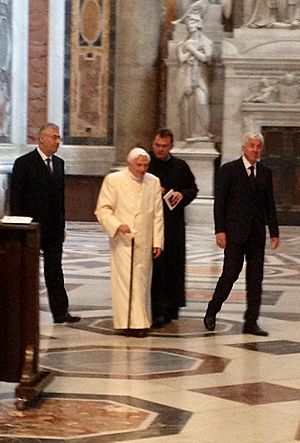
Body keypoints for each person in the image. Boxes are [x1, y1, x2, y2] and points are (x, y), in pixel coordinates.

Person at [204, 132, 280, 336]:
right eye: (252, 145)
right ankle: (212, 310)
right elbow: (219, 203)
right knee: (230, 275)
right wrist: (219, 230)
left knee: (256, 279)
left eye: (258, 146)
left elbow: (269, 204)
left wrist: (274, 232)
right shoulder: (228, 171)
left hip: (256, 234)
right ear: (244, 148)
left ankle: (251, 321)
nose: (255, 149)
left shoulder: (265, 172)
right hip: (235, 233)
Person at [10, 123, 80, 324]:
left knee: (55, 270)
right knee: (27, 271)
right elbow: (16, 198)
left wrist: (62, 224)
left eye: (59, 138)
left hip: (54, 229)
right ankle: (23, 311)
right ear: (41, 139)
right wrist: (20, 226)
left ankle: (60, 312)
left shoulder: (58, 164)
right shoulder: (24, 163)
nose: (58, 141)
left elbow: (60, 198)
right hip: (31, 229)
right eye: (54, 137)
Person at [95, 148, 164, 338]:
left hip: (145, 239)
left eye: (145, 165)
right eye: (138, 165)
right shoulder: (113, 180)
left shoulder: (153, 181)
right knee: (124, 281)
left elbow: (158, 215)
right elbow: (102, 209)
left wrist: (157, 241)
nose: (142, 169)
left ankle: (140, 322)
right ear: (129, 164)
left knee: (141, 281)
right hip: (122, 240)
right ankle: (126, 323)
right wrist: (117, 225)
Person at [148, 128, 198, 327]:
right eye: (157, 146)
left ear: (171, 146)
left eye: (164, 146)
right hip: (151, 224)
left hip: (174, 224)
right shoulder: (146, 164)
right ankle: (157, 310)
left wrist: (182, 195)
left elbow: (192, 188)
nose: (160, 150)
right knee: (157, 268)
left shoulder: (180, 166)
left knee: (174, 266)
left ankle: (172, 307)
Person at [176, 13, 213, 140]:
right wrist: (189, 54)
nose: (191, 25)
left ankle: (202, 133)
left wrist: (192, 50)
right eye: (188, 23)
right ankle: (190, 134)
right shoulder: (183, 44)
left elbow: (206, 58)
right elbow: (181, 58)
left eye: (193, 22)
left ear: (199, 24)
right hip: (185, 77)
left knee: (202, 102)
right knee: (188, 105)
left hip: (200, 78)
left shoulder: (206, 42)